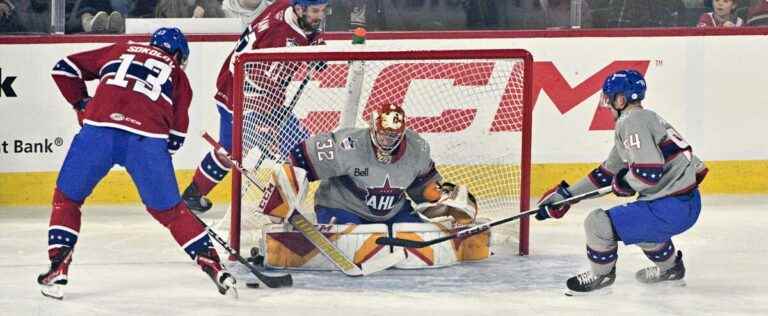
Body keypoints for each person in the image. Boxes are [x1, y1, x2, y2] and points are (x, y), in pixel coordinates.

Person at [39, 28, 236, 300]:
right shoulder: (179, 76)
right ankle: (215, 267)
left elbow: (63, 69)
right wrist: (152, 160)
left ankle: (57, 269)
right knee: (173, 213)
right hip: (147, 143)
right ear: (178, 54)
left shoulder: (120, 48)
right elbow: (176, 139)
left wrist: (82, 103)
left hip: (98, 132)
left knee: (67, 201)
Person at [536, 70, 708, 296]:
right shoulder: (647, 118)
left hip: (670, 208)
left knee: (597, 223)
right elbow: (605, 174)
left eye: (610, 98)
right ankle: (671, 269)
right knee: (641, 227)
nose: (607, 105)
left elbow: (647, 174)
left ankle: (601, 276)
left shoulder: (631, 121)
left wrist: (624, 184)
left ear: (621, 99)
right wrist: (567, 195)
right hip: (687, 204)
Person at [182, 0, 327, 213]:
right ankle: (281, 206)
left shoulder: (284, 5)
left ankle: (193, 194)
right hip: (245, 97)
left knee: (231, 148)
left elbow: (309, 33)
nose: (320, 16)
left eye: (323, 11)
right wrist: (267, 125)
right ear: (299, 9)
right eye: (315, 11)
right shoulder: (281, 40)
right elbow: (260, 83)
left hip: (232, 84)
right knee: (297, 146)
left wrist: (316, 47)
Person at [284, 103, 475, 226]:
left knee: (418, 237)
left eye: (393, 136)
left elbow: (424, 187)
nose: (387, 140)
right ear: (373, 129)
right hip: (341, 208)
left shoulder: (418, 148)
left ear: (402, 133)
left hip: (393, 212)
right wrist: (283, 197)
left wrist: (446, 202)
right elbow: (299, 160)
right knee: (350, 239)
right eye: (383, 134)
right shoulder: (348, 144)